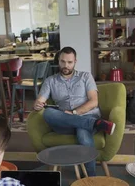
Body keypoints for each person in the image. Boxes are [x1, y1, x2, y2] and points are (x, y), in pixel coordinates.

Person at [34, 46, 116, 177]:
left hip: (85, 115)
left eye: (69, 62)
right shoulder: (50, 81)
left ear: (75, 62)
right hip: (64, 124)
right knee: (48, 112)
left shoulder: (85, 76)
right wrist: (38, 104)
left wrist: (74, 113)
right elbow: (39, 100)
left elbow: (94, 102)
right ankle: (95, 124)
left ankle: (91, 178)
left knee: (83, 134)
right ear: (58, 61)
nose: (66, 65)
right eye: (62, 62)